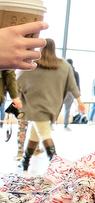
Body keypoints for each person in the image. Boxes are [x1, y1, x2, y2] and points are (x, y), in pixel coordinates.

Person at [16, 38, 83, 170]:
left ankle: (56, 165)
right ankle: (25, 161)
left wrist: (16, 98)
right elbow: (72, 85)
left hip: (34, 106)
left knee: (44, 133)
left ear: (40, 48)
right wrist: (79, 101)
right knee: (35, 133)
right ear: (54, 48)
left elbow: (18, 83)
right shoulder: (64, 65)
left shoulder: (31, 64)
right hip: (51, 106)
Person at [61, 58, 80, 131]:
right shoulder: (75, 73)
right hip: (71, 93)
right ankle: (65, 125)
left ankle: (51, 123)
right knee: (67, 109)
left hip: (62, 92)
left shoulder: (62, 71)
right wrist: (77, 96)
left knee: (56, 108)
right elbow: (77, 85)